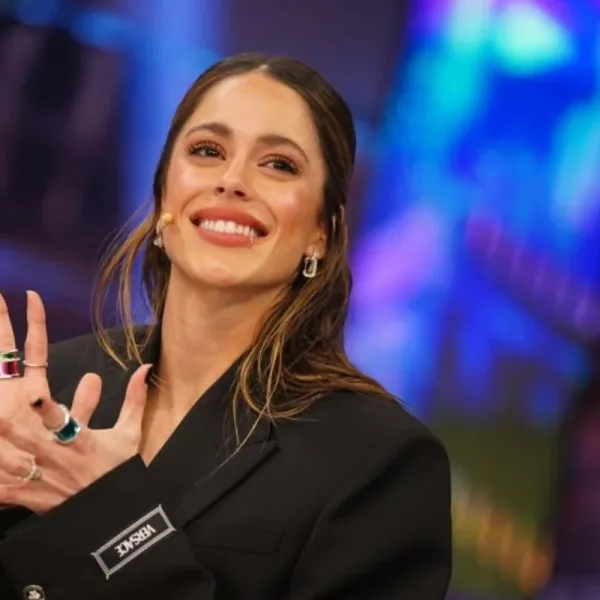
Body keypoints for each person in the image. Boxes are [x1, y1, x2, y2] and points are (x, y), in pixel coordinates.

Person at [0, 53, 452, 600]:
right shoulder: (51, 387)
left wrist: (106, 515)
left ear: (323, 232)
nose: (232, 181)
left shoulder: (380, 462)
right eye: (208, 151)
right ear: (163, 196)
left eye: (279, 164)